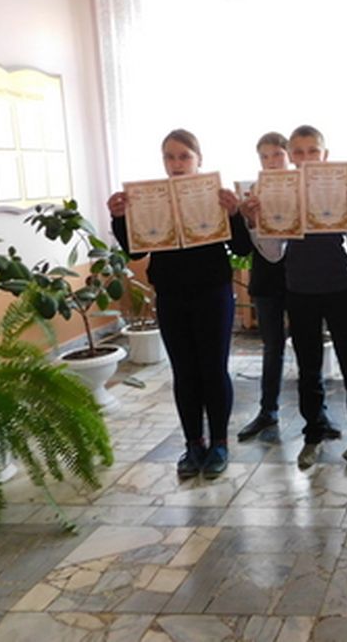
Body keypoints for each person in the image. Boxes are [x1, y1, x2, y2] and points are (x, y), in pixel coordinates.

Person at [108, 128, 252, 479]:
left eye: (184, 156)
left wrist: (234, 214)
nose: (177, 163)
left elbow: (243, 249)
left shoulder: (216, 196)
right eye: (170, 157)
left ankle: (219, 444)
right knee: (184, 372)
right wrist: (119, 217)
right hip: (171, 295)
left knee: (213, 370)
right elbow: (135, 252)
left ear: (199, 160)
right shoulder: (149, 198)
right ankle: (193, 444)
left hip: (213, 293)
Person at [280, 125, 347, 468]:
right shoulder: (281, 194)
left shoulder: (342, 192)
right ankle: (313, 433)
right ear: (290, 156)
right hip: (299, 290)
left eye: (313, 151)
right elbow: (273, 253)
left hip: (338, 287)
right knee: (308, 368)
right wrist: (257, 220)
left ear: (325, 155)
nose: (306, 158)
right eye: (299, 151)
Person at [235, 132, 341, 443]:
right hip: (267, 281)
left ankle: (318, 414)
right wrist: (248, 218)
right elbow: (247, 245)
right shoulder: (252, 194)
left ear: (289, 156)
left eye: (277, 155)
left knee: (309, 350)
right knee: (273, 347)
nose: (271, 162)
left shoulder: (309, 188)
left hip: (304, 281)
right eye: (264, 157)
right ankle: (268, 410)